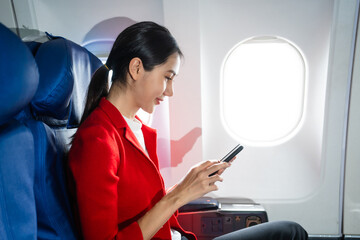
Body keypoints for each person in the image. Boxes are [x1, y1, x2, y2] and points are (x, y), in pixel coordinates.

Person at [68, 21, 308, 240]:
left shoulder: (134, 128)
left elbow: (141, 205)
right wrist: (179, 195)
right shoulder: (98, 139)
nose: (170, 91)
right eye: (167, 77)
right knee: (291, 233)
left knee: (290, 231)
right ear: (137, 68)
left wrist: (190, 182)